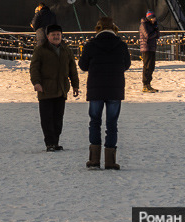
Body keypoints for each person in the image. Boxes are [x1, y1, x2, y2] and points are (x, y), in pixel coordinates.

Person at [78, 16, 132, 170]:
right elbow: (127, 64)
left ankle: (94, 159)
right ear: (113, 27)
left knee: (95, 121)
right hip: (115, 89)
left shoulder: (91, 45)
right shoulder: (121, 45)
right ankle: (110, 161)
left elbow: (82, 65)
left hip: (96, 88)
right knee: (112, 124)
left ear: (98, 28)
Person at [29, 23, 79, 151]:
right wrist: (36, 83)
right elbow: (34, 68)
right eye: (53, 34)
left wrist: (75, 85)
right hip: (45, 89)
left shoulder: (66, 50)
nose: (56, 36)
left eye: (58, 34)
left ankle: (55, 142)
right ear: (47, 36)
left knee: (58, 119)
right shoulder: (40, 50)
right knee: (47, 119)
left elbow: (72, 68)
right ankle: (50, 143)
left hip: (61, 89)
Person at [139, 10, 160, 93]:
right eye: (153, 18)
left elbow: (157, 35)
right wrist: (155, 32)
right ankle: (145, 85)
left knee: (151, 66)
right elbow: (147, 35)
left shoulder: (151, 25)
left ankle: (148, 84)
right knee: (147, 66)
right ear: (149, 18)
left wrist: (155, 30)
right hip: (146, 48)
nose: (154, 19)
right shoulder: (144, 24)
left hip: (151, 48)